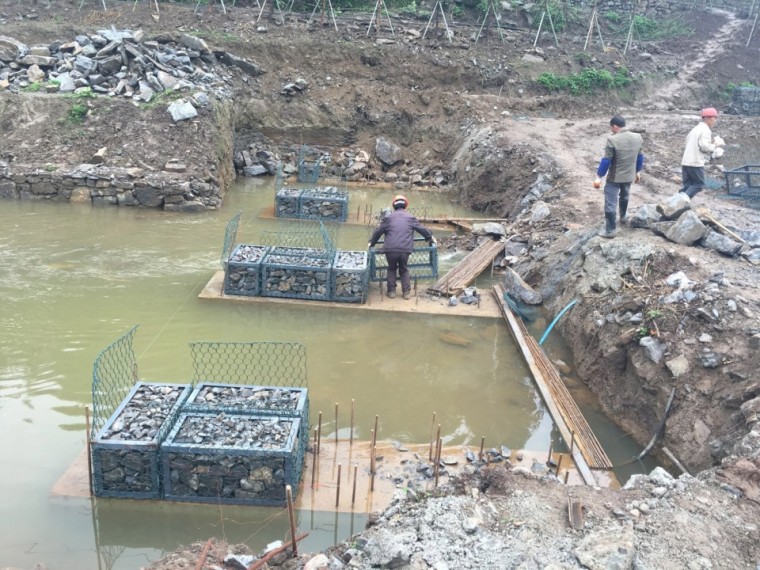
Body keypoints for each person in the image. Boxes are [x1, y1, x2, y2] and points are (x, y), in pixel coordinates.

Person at [368, 194, 436, 300]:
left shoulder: (388, 218)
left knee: (391, 268)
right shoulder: (410, 218)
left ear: (394, 206)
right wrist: (430, 237)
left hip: (390, 249)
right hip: (405, 249)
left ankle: (391, 292)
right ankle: (406, 293)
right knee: (404, 269)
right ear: (405, 206)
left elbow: (378, 232)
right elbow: (422, 229)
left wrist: (372, 242)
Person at [593, 115, 644, 239]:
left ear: (615, 126)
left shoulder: (612, 140)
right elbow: (640, 156)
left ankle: (610, 230)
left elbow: (606, 160)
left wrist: (599, 176)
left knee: (611, 201)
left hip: (615, 177)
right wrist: (637, 172)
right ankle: (623, 216)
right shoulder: (638, 137)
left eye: (611, 127)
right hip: (629, 176)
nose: (611, 129)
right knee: (625, 195)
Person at [679, 107, 725, 199]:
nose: (715, 121)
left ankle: (673, 204)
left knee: (687, 186)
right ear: (707, 118)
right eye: (714, 118)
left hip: (686, 161)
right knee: (699, 184)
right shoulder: (705, 130)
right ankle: (680, 202)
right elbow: (704, 147)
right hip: (695, 162)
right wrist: (715, 145)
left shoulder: (695, 129)